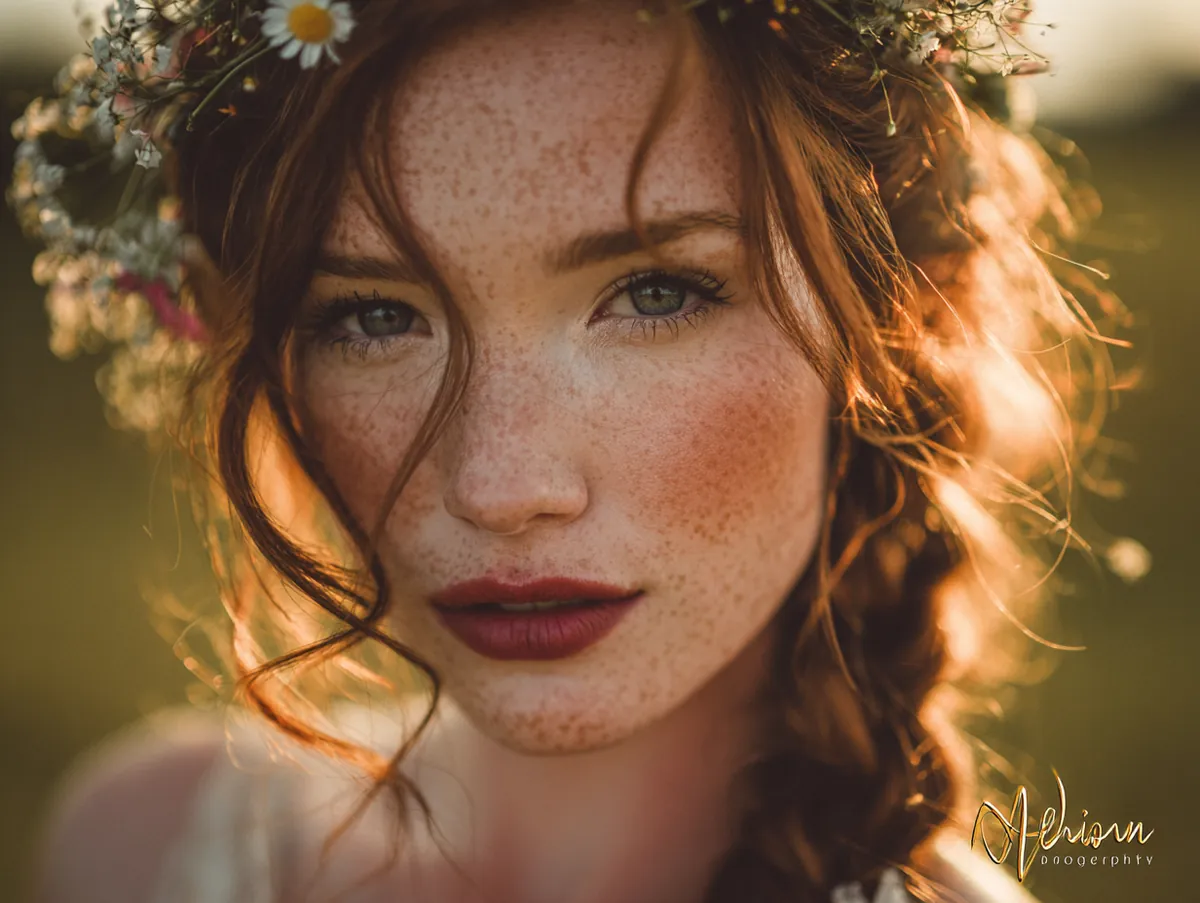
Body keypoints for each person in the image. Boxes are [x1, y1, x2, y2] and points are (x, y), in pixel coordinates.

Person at [10, 0, 1125, 901]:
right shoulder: (137, 852)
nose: (498, 488)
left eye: (654, 294)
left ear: (898, 321)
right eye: (373, 315)